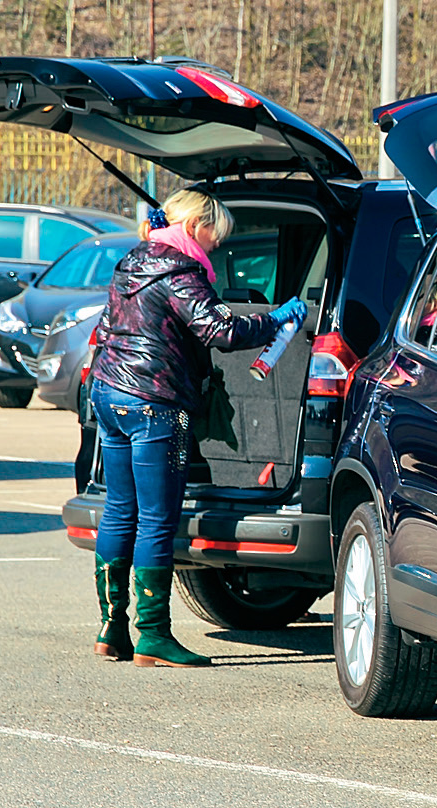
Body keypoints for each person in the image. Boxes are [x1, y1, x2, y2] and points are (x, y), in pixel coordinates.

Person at [88, 188, 306, 668]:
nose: (217, 247)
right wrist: (274, 321)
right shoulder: (181, 269)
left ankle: (111, 629)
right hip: (156, 403)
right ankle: (153, 637)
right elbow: (220, 331)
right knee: (157, 518)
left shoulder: (134, 259)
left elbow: (108, 328)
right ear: (193, 227)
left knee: (121, 511)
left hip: (108, 394)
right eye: (215, 236)